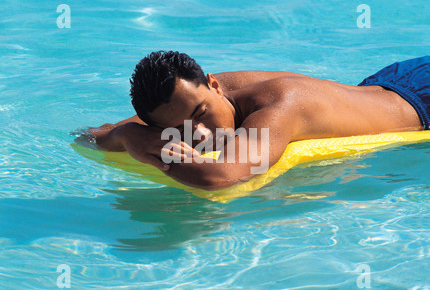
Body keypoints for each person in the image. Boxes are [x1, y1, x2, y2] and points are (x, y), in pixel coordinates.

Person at [87, 51, 429, 190]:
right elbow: (90, 136)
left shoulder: (279, 106)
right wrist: (129, 134)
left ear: (215, 84)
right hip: (386, 82)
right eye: (179, 129)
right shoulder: (201, 93)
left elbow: (222, 177)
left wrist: (148, 148)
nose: (201, 132)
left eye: (201, 115)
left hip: (420, 105)